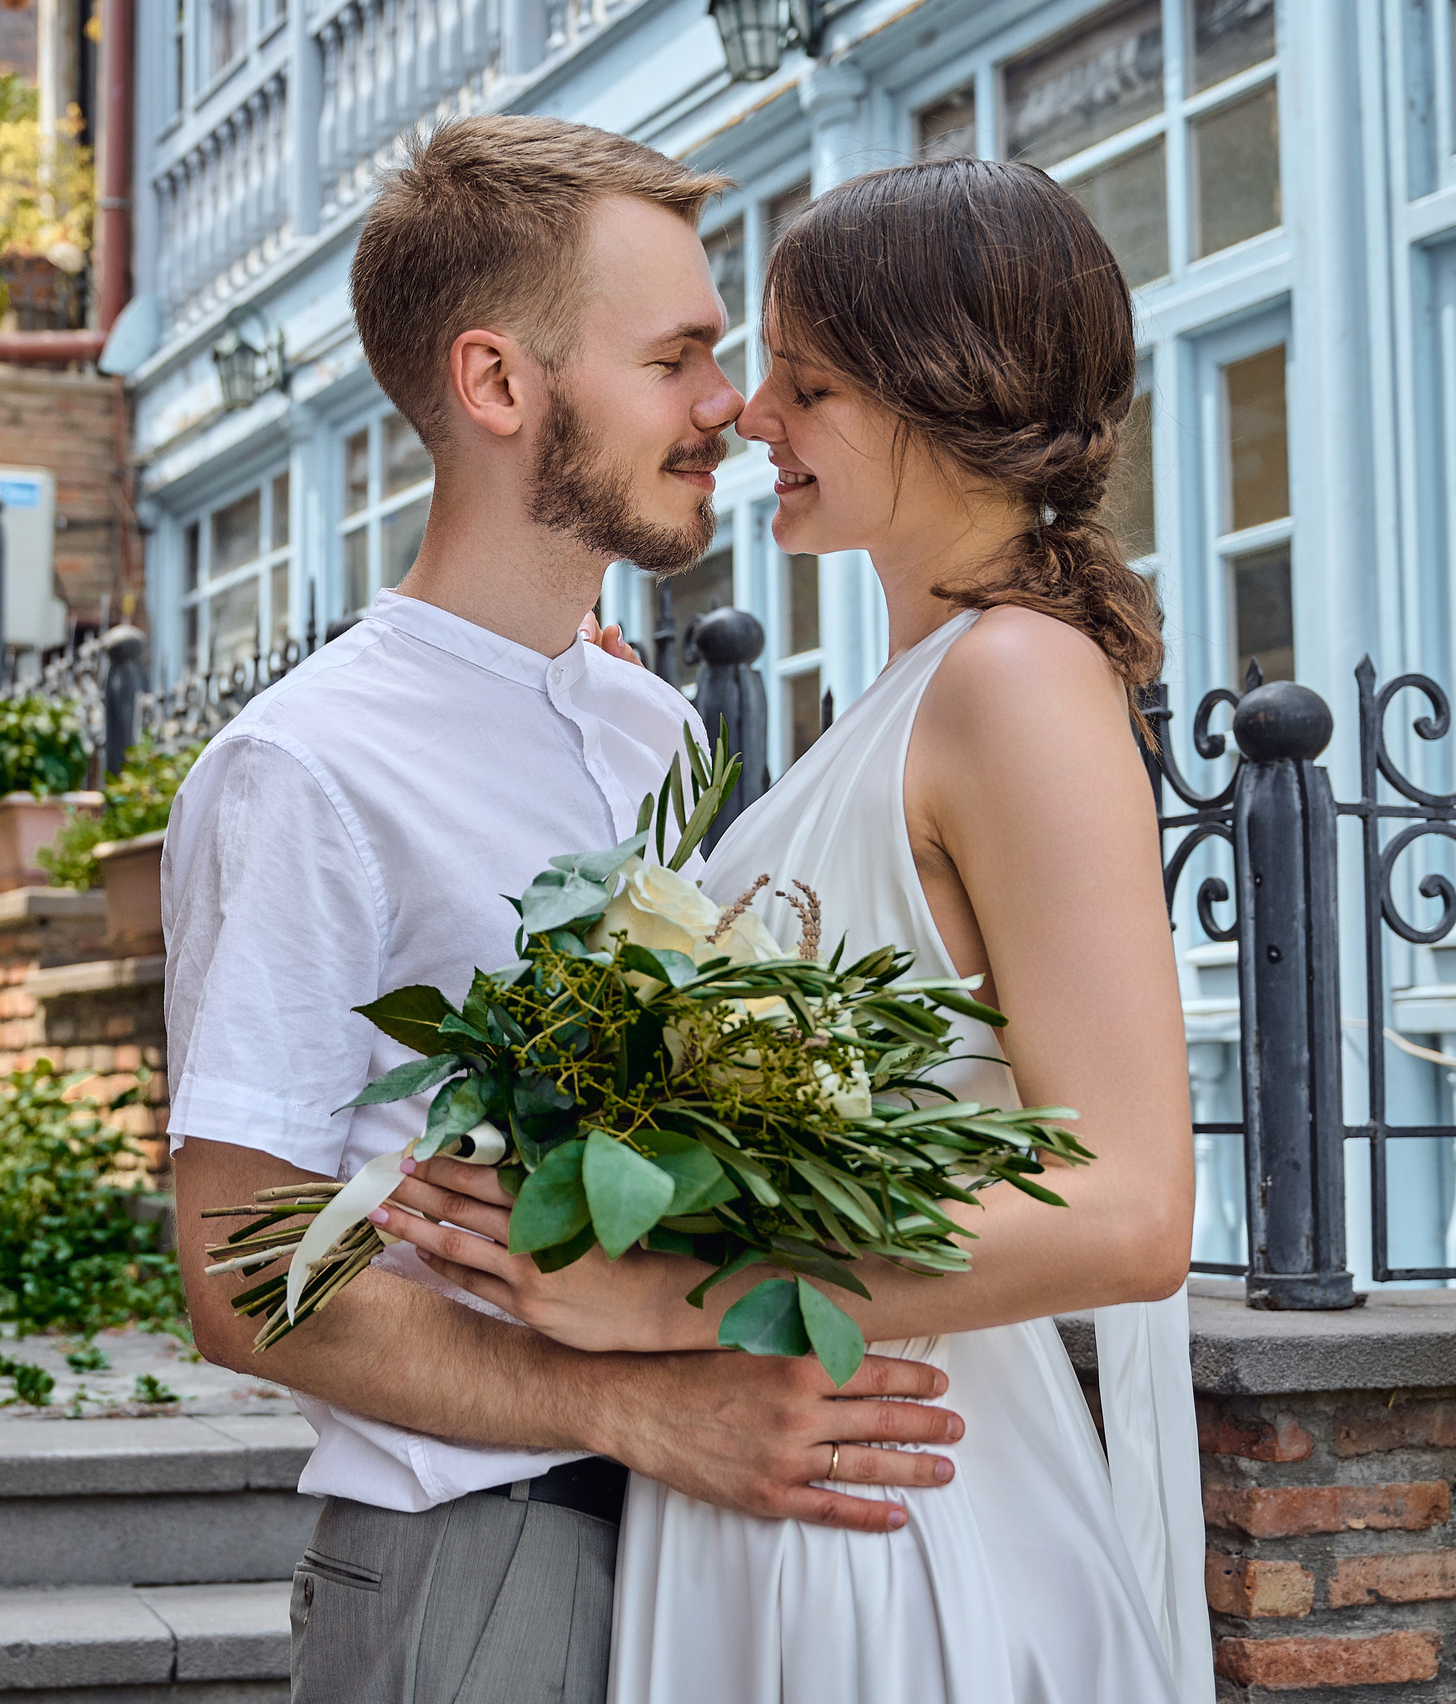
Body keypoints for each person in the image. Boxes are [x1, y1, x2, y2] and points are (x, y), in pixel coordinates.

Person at [371, 159, 1210, 1703]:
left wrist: (662, 1306)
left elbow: (1133, 1212)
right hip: (782, 1488)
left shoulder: (1014, 682)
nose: (750, 416)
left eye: (806, 382)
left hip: (897, 1518)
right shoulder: (908, 691)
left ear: (939, 399)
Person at [162, 118, 963, 1704]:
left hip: (719, 1556)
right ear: (502, 386)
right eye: (677, 358)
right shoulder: (302, 770)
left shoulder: (654, 730)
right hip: (488, 1568)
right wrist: (629, 1407)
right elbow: (247, 1272)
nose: (730, 407)